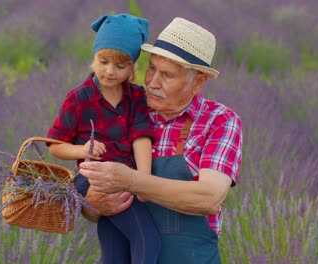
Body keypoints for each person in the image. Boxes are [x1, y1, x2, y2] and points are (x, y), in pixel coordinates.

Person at [79, 17, 243, 263]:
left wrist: (132, 180)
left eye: (167, 75)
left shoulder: (219, 121)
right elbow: (91, 198)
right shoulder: (127, 111)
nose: (152, 82)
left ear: (198, 81)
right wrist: (91, 204)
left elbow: (209, 197)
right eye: (152, 68)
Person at [46, 13, 161, 264]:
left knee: (115, 249)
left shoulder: (136, 96)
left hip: (125, 179)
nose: (110, 71)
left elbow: (141, 137)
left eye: (120, 66)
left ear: (132, 67)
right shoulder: (78, 99)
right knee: (147, 239)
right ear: (94, 58)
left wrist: (144, 181)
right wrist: (80, 150)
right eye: (103, 61)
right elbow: (55, 145)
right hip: (91, 179)